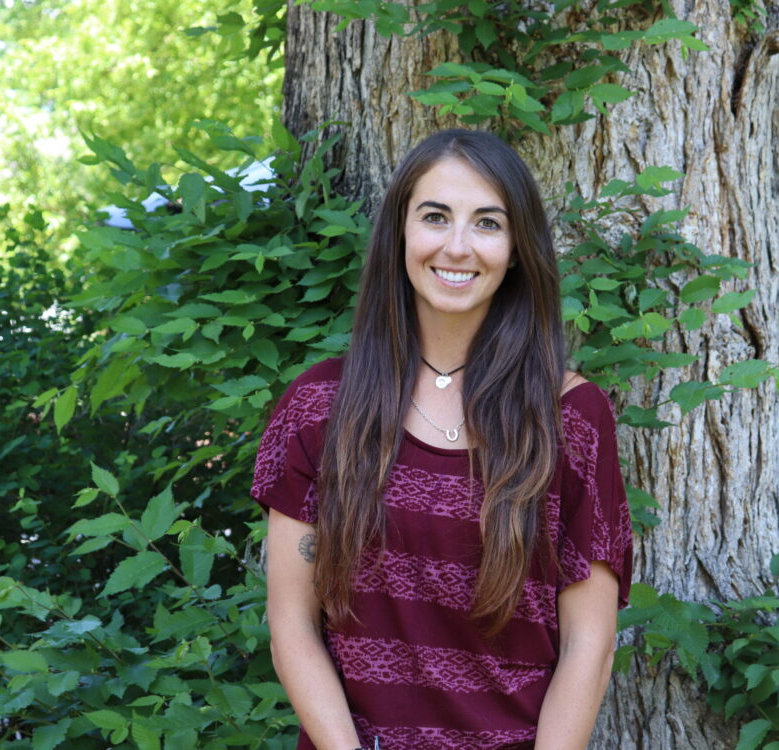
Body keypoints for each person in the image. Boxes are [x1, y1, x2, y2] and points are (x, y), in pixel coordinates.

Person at [251, 129, 633, 750]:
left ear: (516, 249)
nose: (457, 247)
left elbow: (591, 643)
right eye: (435, 217)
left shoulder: (573, 419)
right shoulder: (320, 408)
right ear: (400, 231)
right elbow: (291, 626)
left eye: (487, 223)